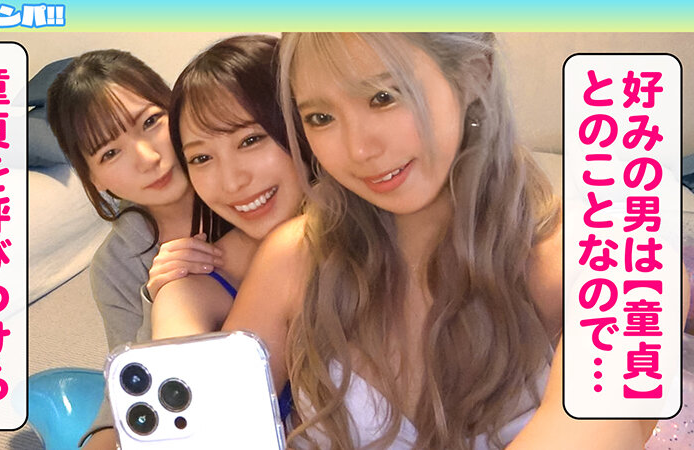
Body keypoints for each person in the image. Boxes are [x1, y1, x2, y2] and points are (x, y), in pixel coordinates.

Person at [222, 33, 688, 449]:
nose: (358, 149)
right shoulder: (293, 258)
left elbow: (598, 431)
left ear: (475, 75)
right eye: (321, 117)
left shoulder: (624, 262)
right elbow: (210, 424)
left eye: (384, 97)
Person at [46, 49, 223, 449]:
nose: (148, 158)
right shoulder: (115, 266)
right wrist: (156, 300)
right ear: (94, 179)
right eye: (110, 153)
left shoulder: (241, 194)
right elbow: (127, 380)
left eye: (150, 122)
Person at [151, 33, 307, 342]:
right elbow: (177, 332)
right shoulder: (191, 286)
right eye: (202, 158)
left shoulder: (380, 218)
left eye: (250, 140)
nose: (232, 182)